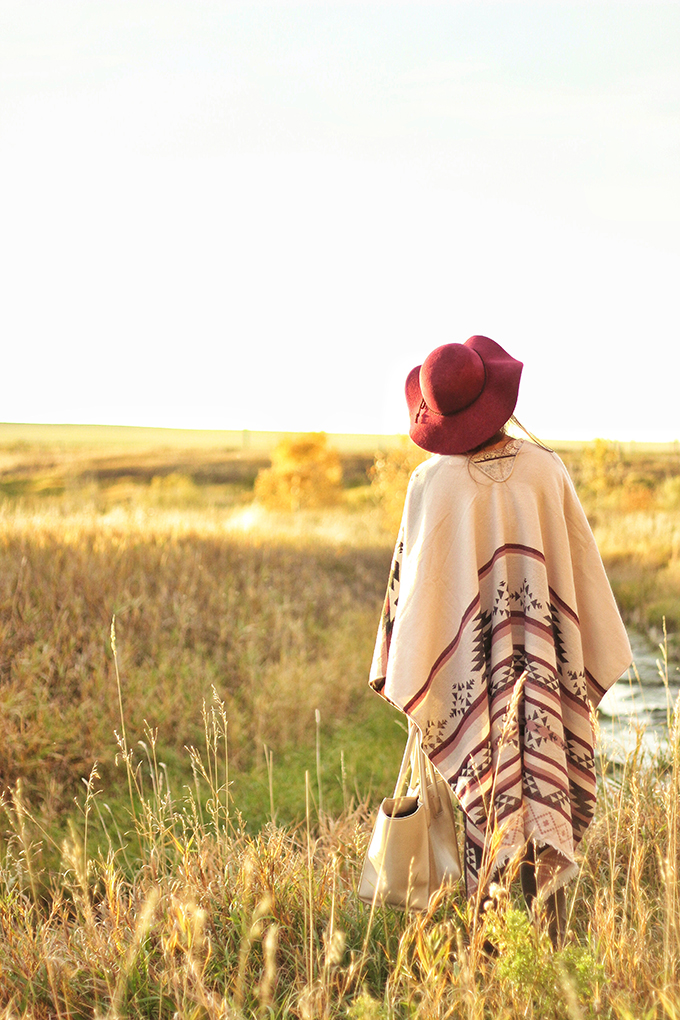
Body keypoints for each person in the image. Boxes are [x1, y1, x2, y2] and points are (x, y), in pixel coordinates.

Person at [368, 336, 632, 948]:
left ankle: (487, 958)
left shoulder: (430, 483)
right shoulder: (547, 470)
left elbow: (409, 612)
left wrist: (428, 678)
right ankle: (550, 953)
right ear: (494, 396)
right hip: (542, 679)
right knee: (548, 791)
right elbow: (583, 591)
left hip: (463, 683)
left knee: (474, 817)